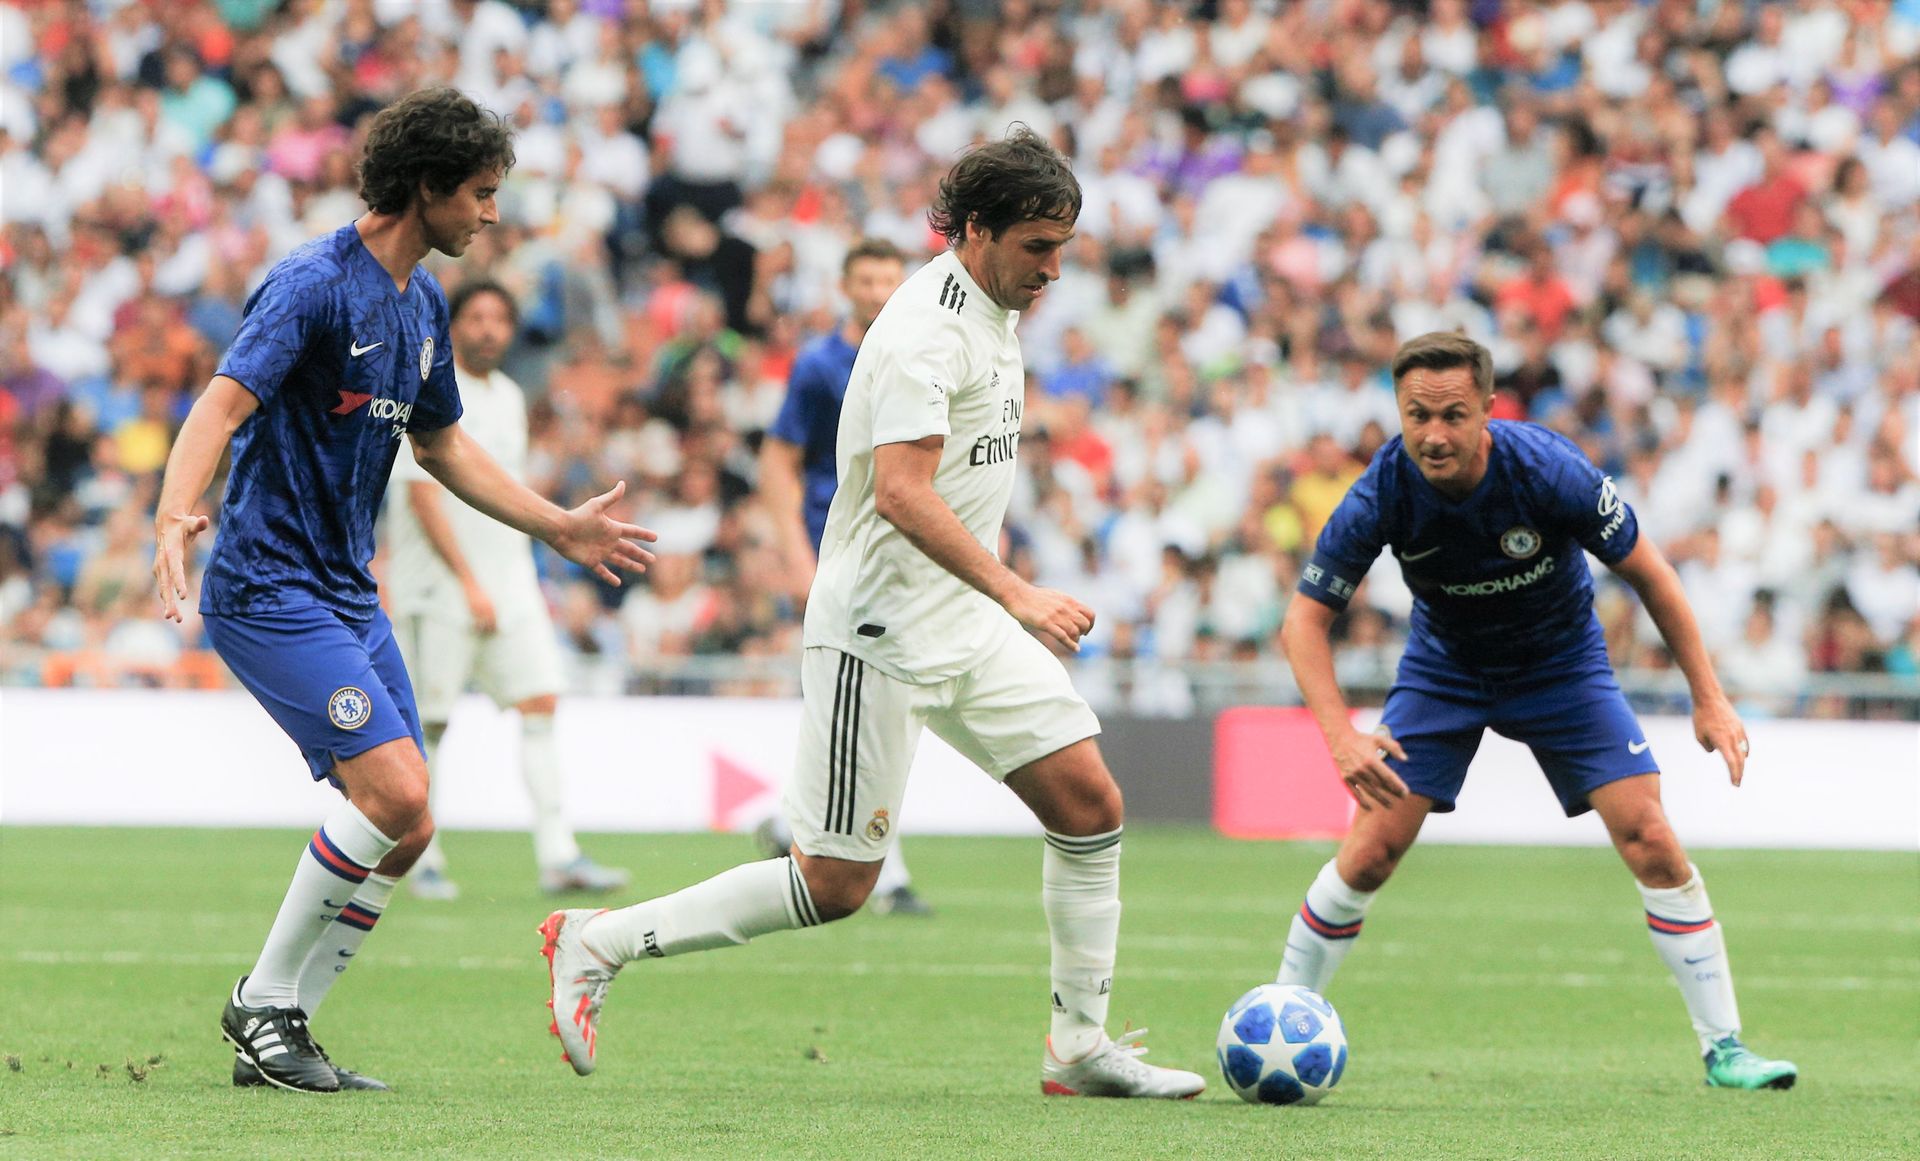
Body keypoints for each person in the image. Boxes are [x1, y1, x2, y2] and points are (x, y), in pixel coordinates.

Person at [540, 127, 1205, 1099]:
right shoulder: (923, 332)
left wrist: (998, 594)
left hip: (966, 621)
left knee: (1090, 806)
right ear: (976, 231)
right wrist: (1018, 591)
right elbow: (902, 491)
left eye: (1063, 248)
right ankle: (598, 942)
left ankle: (1079, 1045)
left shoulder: (994, 306)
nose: (1055, 271)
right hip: (881, 632)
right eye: (1038, 248)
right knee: (834, 883)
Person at [150, 89, 655, 1094]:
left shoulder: (422, 303)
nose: (492, 214)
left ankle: (284, 1021)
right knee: (396, 793)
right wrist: (172, 514)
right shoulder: (311, 284)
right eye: (481, 193)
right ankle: (262, 1006)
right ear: (426, 187)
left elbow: (442, 445)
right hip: (266, 584)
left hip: (346, 590)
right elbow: (219, 405)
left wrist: (555, 523)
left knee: (411, 824)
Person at [1272, 331, 1797, 1091]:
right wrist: (1340, 738)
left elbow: (1652, 575)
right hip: (1445, 670)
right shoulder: (1383, 487)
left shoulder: (1548, 470)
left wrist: (1709, 696)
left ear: (1488, 407)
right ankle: (1285, 1014)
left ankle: (1726, 1048)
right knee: (1369, 853)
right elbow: (1304, 619)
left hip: (1562, 666)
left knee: (1650, 835)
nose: (1434, 434)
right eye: (1417, 414)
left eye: (1453, 414)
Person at [384, 279, 630, 900]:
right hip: (440, 588)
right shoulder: (427, 385)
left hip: (510, 582)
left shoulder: (511, 395)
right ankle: (424, 856)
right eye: (476, 317)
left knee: (542, 704)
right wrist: (468, 582)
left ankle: (559, 855)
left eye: (499, 319)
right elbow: (420, 494)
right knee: (429, 724)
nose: (489, 329)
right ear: (453, 325)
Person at [754, 236, 931, 917]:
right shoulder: (821, 364)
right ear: (847, 286)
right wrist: (797, 555)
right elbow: (779, 459)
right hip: (845, 548)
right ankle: (887, 869)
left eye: (891, 276)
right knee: (881, 693)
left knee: (863, 699)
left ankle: (788, 818)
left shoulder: (917, 354)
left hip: (902, 550)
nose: (880, 288)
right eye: (867, 278)